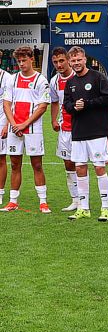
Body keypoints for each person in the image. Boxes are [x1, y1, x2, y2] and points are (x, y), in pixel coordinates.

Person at [63, 46, 108, 221]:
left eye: (79, 60)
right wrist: (74, 107)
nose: (76, 63)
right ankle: (84, 208)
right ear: (70, 62)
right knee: (80, 168)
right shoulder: (70, 83)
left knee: (99, 167)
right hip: (78, 132)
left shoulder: (97, 77)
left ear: (85, 59)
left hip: (97, 131)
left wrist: (87, 104)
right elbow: (67, 105)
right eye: (73, 61)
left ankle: (105, 208)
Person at [0, 46, 51, 213]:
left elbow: (42, 106)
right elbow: (6, 104)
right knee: (15, 164)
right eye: (18, 61)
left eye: (24, 60)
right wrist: (14, 124)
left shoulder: (41, 80)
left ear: (31, 59)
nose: (21, 64)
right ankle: (13, 201)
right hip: (16, 129)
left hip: (33, 129)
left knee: (37, 165)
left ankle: (43, 202)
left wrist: (24, 124)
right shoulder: (12, 79)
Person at [49, 47, 78, 212]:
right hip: (64, 128)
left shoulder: (78, 77)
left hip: (81, 128)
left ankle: (84, 199)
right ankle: (75, 199)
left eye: (61, 61)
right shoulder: (54, 81)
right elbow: (54, 102)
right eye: (55, 62)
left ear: (68, 60)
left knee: (81, 163)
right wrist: (53, 119)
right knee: (68, 164)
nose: (59, 65)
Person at [0, 64, 11, 205]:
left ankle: (0, 192)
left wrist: (7, 124)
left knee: (1, 159)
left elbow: (11, 103)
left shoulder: (7, 78)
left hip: (1, 122)